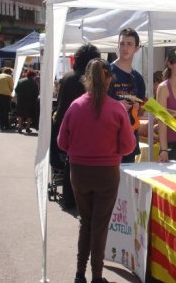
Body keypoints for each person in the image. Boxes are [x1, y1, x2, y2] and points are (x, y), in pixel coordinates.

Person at [57, 58, 136, 283]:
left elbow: (62, 142)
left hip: (79, 172)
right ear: (109, 79)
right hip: (107, 173)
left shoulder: (75, 106)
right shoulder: (117, 109)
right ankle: (97, 277)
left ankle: (79, 274)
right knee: (100, 226)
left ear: (86, 79)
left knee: (86, 222)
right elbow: (128, 146)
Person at [53, 43, 101, 210]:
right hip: (85, 127)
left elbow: (61, 103)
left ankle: (69, 198)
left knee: (70, 163)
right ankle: (80, 198)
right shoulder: (88, 80)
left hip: (65, 124)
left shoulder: (67, 77)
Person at [107, 28, 146, 163]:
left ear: (137, 48)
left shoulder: (138, 78)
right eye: (122, 43)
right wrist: (117, 105)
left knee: (127, 182)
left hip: (129, 138)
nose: (125, 47)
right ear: (117, 45)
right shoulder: (107, 72)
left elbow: (139, 109)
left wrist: (136, 107)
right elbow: (96, 103)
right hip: (109, 139)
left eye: (129, 44)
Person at [15, 68, 39, 134]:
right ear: (33, 76)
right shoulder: (34, 83)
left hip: (20, 100)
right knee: (29, 115)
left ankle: (20, 127)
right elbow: (36, 93)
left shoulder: (20, 81)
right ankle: (27, 128)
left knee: (20, 114)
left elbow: (16, 90)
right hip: (30, 102)